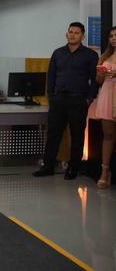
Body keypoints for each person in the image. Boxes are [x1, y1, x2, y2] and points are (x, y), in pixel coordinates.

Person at [33, 22, 98, 180]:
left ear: (83, 36)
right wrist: (51, 95)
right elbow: (51, 75)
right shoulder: (58, 53)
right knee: (53, 134)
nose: (73, 35)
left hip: (78, 100)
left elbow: (94, 79)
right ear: (66, 34)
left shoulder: (90, 55)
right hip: (58, 99)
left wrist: (90, 98)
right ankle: (48, 166)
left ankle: (73, 168)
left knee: (77, 135)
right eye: (70, 32)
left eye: (76, 32)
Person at [88, 26, 115, 188]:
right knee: (108, 135)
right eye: (111, 35)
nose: (113, 38)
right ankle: (105, 171)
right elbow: (98, 81)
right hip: (106, 94)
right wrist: (101, 74)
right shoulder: (105, 56)